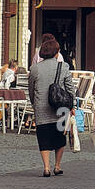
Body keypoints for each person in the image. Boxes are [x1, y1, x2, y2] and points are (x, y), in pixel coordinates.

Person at [27, 35, 72, 177]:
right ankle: (57, 166)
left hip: (41, 106)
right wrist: (72, 105)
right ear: (56, 52)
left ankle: (46, 167)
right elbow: (70, 88)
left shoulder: (35, 69)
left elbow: (31, 88)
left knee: (43, 136)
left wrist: (35, 104)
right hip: (61, 107)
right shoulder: (63, 66)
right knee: (60, 137)